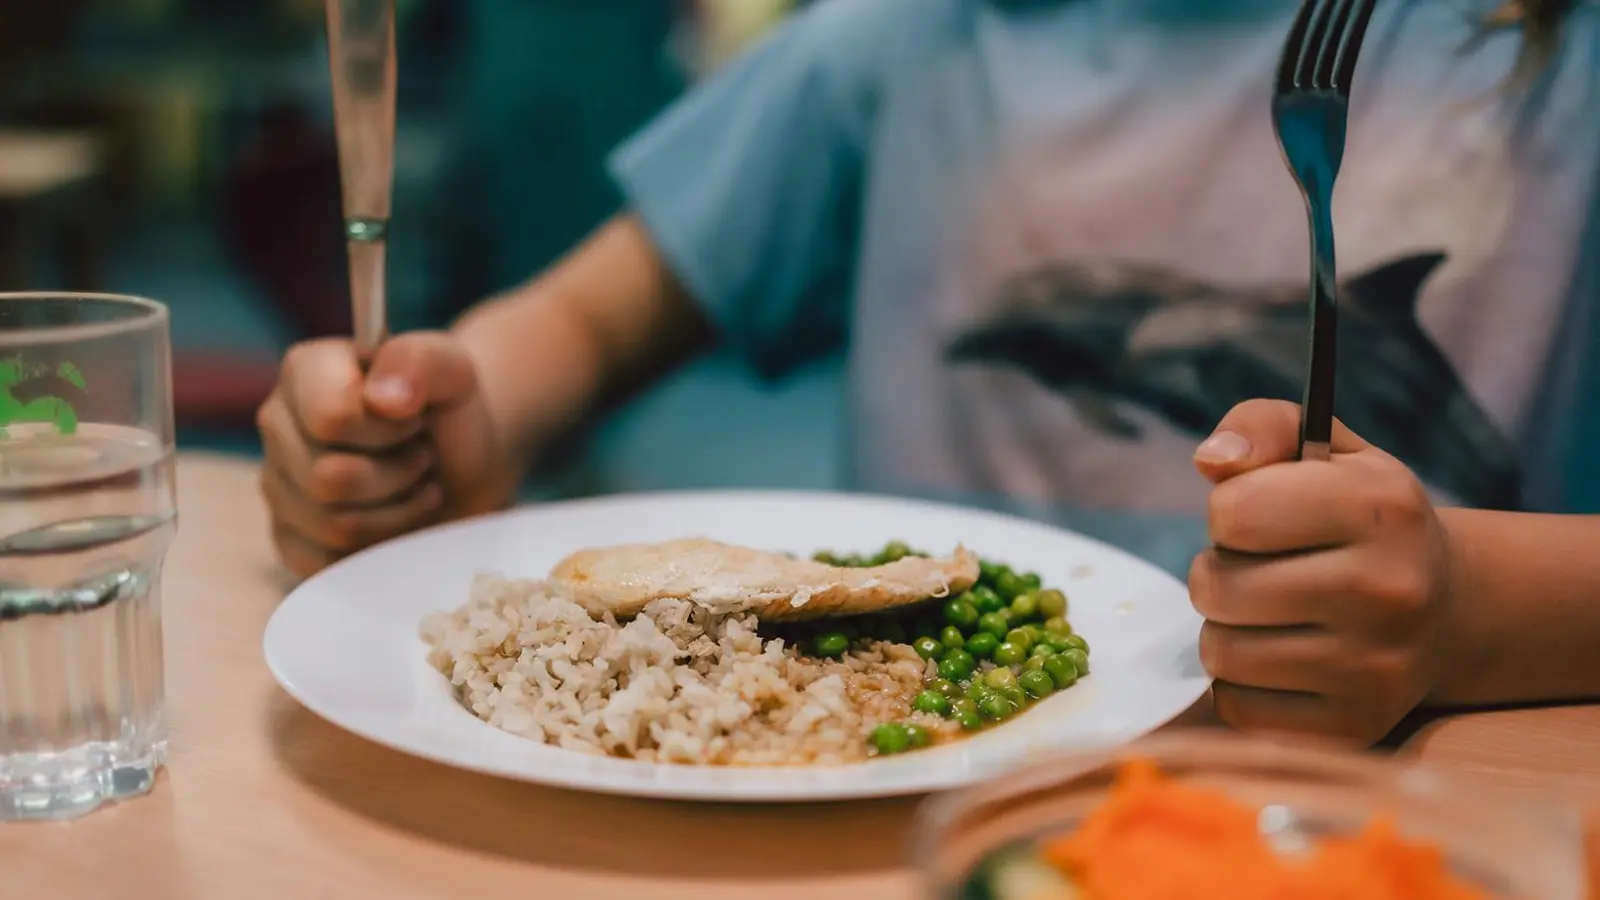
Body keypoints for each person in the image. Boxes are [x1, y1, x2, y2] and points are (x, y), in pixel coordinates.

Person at [256, 0, 1600, 744]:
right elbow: (590, 323)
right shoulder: (902, 39)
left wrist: (1474, 607)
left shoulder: (1556, 62)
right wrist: (441, 415)